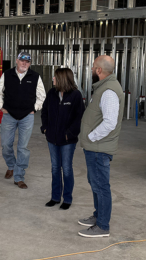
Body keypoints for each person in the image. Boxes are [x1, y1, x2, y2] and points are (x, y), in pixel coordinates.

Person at [78, 55, 125, 238]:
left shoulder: (109, 91)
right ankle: (98, 216)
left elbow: (109, 123)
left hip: (99, 148)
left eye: (93, 67)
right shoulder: (105, 88)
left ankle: (102, 226)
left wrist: (91, 137)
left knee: (101, 186)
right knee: (95, 183)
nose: (91, 69)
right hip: (95, 147)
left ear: (99, 70)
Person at [0, 52, 46, 189]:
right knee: (6, 145)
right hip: (9, 115)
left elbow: (42, 96)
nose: (24, 63)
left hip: (26, 117)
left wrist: (34, 108)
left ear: (30, 63)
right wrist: (1, 106)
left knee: (23, 148)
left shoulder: (35, 77)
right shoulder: (7, 74)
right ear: (16, 60)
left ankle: (19, 177)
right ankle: (11, 165)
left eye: (27, 61)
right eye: (22, 60)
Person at [41, 68, 85, 210]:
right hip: (52, 139)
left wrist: (70, 133)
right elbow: (45, 111)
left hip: (67, 141)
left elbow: (79, 118)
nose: (53, 79)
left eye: (55, 77)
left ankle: (67, 198)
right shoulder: (51, 93)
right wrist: (45, 128)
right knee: (55, 168)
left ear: (62, 79)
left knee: (66, 169)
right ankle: (55, 197)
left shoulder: (76, 96)